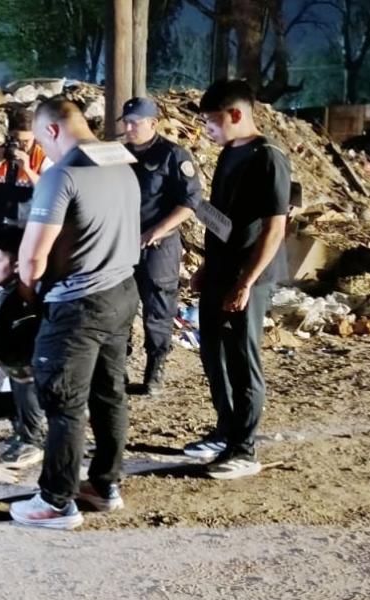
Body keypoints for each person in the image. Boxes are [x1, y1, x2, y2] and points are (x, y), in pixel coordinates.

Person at [9, 97, 141, 530]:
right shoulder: (122, 165)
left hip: (78, 304)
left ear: (50, 131)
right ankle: (104, 485)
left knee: (64, 402)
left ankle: (55, 501)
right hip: (122, 291)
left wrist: (27, 294)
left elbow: (32, 259)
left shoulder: (61, 175)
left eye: (42, 144)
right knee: (109, 393)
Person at [183, 80, 291, 480]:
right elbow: (226, 219)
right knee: (214, 354)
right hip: (221, 270)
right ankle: (226, 430)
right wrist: (208, 265)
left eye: (211, 122)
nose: (207, 130)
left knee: (244, 360)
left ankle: (244, 449)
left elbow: (274, 229)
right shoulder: (230, 153)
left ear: (235, 114)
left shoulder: (269, 158)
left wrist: (245, 282)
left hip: (249, 277)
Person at [120, 97, 204, 394]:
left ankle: (155, 370)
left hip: (159, 246)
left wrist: (158, 230)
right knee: (119, 308)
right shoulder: (118, 154)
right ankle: (119, 370)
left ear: (153, 123)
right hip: (123, 244)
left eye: (136, 123)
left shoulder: (172, 154)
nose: (129, 128)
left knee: (158, 308)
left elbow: (191, 201)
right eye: (126, 123)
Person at [0, 226, 44, 466]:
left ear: (16, 265)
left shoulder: (30, 302)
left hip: (34, 374)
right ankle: (20, 423)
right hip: (4, 367)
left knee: (22, 369)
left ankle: (31, 438)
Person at [0, 107, 51, 230]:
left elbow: (50, 192)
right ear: (8, 135)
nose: (21, 146)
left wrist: (28, 170)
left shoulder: (42, 157)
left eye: (26, 141)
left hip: (26, 228)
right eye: (16, 139)